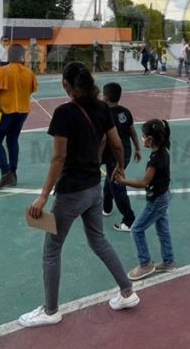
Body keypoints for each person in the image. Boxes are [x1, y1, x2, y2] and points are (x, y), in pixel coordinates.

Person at [21, 62, 138, 328]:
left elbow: (59, 157)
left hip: (71, 192)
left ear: (66, 85)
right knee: (98, 240)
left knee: (52, 251)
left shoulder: (64, 113)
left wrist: (42, 196)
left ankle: (50, 311)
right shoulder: (102, 108)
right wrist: (119, 168)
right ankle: (127, 292)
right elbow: (116, 143)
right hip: (94, 188)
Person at [114, 118, 176, 280]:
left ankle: (145, 264)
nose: (142, 139)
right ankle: (169, 262)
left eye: (143, 136)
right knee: (163, 230)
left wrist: (123, 181)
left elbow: (143, 182)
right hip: (163, 197)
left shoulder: (156, 159)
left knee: (136, 229)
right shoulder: (162, 153)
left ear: (150, 139)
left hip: (158, 201)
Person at [0, 44, 39, 189]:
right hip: (22, 111)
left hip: (5, 110)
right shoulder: (29, 72)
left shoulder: (3, 71)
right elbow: (32, 90)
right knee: (12, 140)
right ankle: (13, 173)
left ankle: (5, 173)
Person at [100, 82, 140, 231]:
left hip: (115, 156)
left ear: (105, 97)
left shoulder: (104, 113)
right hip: (126, 152)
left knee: (117, 186)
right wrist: (137, 149)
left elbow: (104, 139)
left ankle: (129, 220)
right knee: (109, 181)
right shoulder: (125, 112)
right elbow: (132, 132)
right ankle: (107, 207)